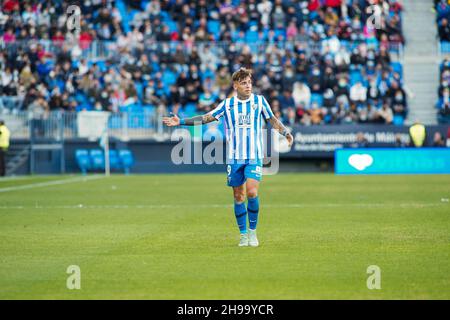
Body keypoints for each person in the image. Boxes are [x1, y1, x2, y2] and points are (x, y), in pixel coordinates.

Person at [163, 68, 294, 247]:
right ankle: (243, 235)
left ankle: (253, 233)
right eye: (243, 83)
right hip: (234, 158)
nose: (248, 86)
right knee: (238, 196)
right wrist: (182, 121)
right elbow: (207, 117)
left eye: (249, 82)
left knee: (252, 192)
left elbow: (272, 119)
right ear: (235, 86)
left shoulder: (260, 101)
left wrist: (285, 132)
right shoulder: (227, 105)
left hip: (254, 156)